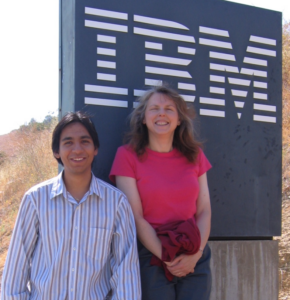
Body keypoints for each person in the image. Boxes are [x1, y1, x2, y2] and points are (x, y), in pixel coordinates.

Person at [1, 111, 141, 300]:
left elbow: (127, 274)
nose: (77, 149)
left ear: (95, 148)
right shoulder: (35, 200)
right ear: (56, 151)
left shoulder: (116, 204)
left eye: (85, 141)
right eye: (68, 142)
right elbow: (15, 272)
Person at [110, 85, 212, 300]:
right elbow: (135, 216)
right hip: (152, 254)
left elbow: (204, 210)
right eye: (154, 108)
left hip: (193, 251)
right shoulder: (127, 156)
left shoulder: (195, 155)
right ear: (144, 119)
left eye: (169, 109)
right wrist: (166, 256)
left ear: (179, 119)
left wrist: (197, 254)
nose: (161, 113)